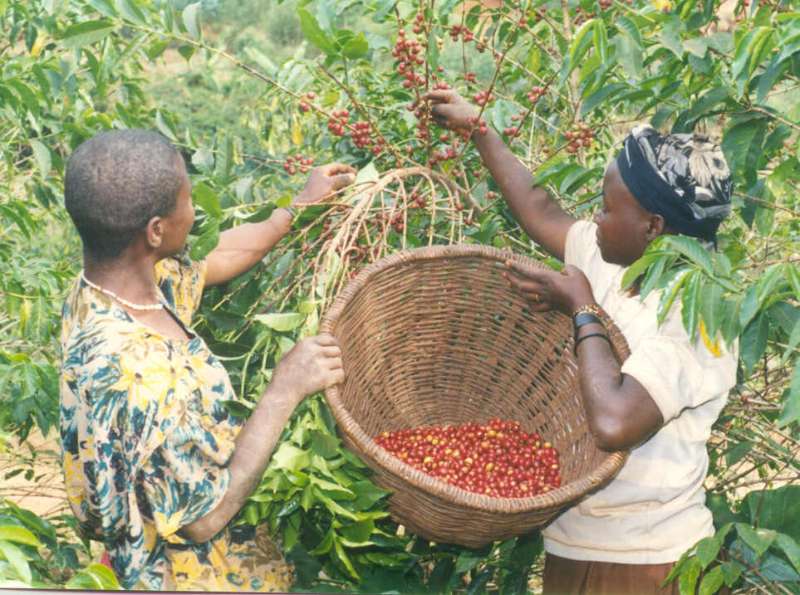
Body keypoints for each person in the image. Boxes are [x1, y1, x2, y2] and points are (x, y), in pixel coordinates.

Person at [427, 90, 737, 594]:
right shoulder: (614, 260)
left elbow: (614, 422)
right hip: (573, 549)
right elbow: (540, 210)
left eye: (606, 208)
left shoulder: (699, 315)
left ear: (653, 227)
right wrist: (479, 131)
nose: (595, 219)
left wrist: (582, 309)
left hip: (652, 563)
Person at [59, 129, 354, 591]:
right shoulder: (138, 372)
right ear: (155, 230)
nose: (194, 212)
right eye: (187, 200)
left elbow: (214, 259)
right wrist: (285, 388)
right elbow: (203, 518)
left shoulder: (106, 290)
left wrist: (294, 211)